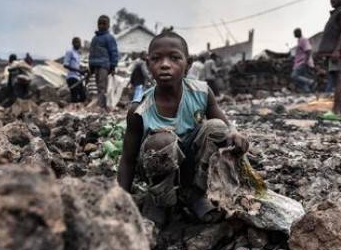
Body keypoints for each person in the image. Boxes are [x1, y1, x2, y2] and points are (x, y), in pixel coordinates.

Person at [117, 30, 249, 227]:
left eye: (174, 58)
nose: (164, 64)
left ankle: (195, 194)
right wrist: (120, 201)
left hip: (192, 167)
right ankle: (160, 202)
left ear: (188, 64)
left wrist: (236, 136)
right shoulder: (139, 110)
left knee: (217, 128)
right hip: (156, 170)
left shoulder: (202, 93)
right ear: (148, 64)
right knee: (162, 140)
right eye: (156, 59)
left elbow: (226, 128)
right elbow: (128, 160)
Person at [316, 0, 341, 117]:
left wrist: (337, 50)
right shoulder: (335, 14)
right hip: (335, 52)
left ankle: (336, 110)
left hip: (339, 52)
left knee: (339, 79)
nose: (333, 0)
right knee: (338, 79)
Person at [89, 15, 119, 109]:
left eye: (104, 23)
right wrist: (91, 66)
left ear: (108, 25)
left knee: (102, 86)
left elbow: (113, 52)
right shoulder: (94, 39)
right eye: (100, 23)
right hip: (96, 66)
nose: (101, 25)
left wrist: (113, 66)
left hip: (104, 66)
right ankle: (101, 105)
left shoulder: (109, 38)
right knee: (99, 86)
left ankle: (101, 106)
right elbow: (91, 53)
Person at [290, 28, 315, 93]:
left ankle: (310, 82)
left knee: (294, 76)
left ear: (299, 33)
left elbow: (308, 50)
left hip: (302, 62)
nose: (294, 34)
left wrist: (305, 61)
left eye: (295, 33)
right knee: (301, 78)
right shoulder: (299, 40)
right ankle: (307, 92)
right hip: (299, 62)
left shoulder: (303, 40)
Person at [63, 37, 86, 103]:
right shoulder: (70, 52)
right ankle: (73, 110)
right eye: (77, 43)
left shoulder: (78, 54)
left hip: (78, 77)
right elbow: (65, 65)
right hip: (71, 77)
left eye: (79, 43)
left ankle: (77, 109)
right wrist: (78, 71)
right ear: (73, 43)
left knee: (83, 96)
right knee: (74, 96)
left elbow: (76, 66)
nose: (79, 44)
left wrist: (82, 72)